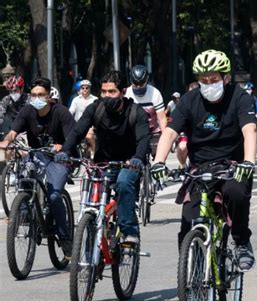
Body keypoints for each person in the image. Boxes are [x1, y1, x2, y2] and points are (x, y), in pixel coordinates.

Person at [151, 49, 257, 272]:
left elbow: (249, 129)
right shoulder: (189, 101)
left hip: (233, 165)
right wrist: (159, 162)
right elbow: (170, 132)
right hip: (200, 168)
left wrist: (248, 162)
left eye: (214, 79)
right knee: (188, 223)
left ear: (225, 78)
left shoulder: (240, 97)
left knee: (236, 193)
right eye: (203, 80)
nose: (208, 84)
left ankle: (241, 241)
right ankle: (191, 276)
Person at [57, 70, 151, 246]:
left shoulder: (135, 112)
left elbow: (144, 138)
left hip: (129, 163)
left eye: (112, 92)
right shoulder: (95, 108)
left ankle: (129, 232)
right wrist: (65, 151)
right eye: (104, 92)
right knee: (93, 204)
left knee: (123, 183)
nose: (107, 96)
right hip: (102, 163)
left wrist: (138, 158)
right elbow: (78, 131)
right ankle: (90, 244)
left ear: (123, 92)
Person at [0, 78, 76, 257]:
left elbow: (73, 138)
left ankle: (65, 238)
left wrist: (62, 147)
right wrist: (6, 141)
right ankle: (25, 210)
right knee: (24, 173)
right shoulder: (27, 111)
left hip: (60, 159)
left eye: (41, 95)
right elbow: (13, 131)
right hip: (37, 155)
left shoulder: (61, 112)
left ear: (49, 96)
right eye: (33, 95)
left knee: (55, 195)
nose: (36, 98)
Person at [125, 65, 167, 158]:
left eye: (142, 84)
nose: (139, 87)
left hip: (153, 132)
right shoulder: (127, 94)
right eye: (135, 84)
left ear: (147, 80)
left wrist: (165, 138)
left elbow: (162, 118)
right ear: (131, 81)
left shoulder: (155, 93)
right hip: (134, 133)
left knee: (160, 156)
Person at [69, 79, 98, 158]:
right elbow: (71, 112)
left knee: (89, 136)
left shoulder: (94, 99)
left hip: (90, 125)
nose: (85, 90)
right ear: (80, 89)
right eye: (83, 88)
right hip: (78, 124)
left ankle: (95, 151)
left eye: (87, 88)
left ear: (90, 89)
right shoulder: (76, 99)